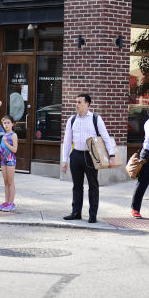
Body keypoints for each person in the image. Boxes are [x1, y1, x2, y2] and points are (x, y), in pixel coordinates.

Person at [61, 93, 116, 223]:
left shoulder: (96, 119)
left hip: (91, 156)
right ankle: (76, 212)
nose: (76, 104)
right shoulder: (72, 120)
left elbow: (106, 138)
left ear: (87, 104)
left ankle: (92, 215)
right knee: (77, 186)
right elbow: (67, 141)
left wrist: (112, 155)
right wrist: (64, 160)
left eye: (79, 102)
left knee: (93, 186)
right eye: (76, 102)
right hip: (76, 155)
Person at [0, 115, 18, 212]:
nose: (6, 125)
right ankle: (6, 202)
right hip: (3, 160)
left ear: (12, 124)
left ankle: (11, 203)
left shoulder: (13, 135)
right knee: (5, 182)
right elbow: (3, 148)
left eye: (8, 123)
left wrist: (6, 142)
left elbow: (14, 150)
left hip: (10, 160)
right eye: (4, 123)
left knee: (10, 182)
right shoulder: (4, 135)